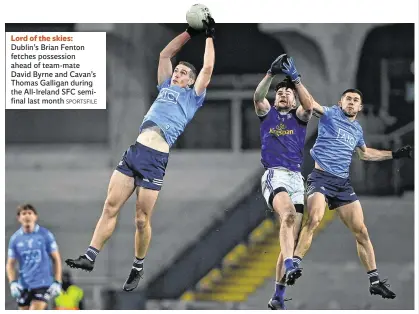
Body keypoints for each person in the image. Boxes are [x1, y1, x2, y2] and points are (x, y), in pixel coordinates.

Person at [65, 17, 216, 292]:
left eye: (183, 73)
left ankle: (137, 265)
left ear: (191, 81)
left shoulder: (192, 97)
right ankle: (90, 256)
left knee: (141, 219)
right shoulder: (165, 87)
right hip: (135, 151)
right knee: (110, 206)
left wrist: (207, 35)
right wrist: (188, 33)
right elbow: (165, 54)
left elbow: (207, 67)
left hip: (156, 160)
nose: (178, 74)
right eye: (177, 71)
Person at [281, 54, 413, 300]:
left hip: (342, 184)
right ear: (340, 103)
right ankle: (295, 264)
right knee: (315, 219)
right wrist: (297, 80)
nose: (351, 102)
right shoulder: (330, 114)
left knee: (361, 231)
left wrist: (394, 154)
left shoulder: (357, 129)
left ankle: (374, 280)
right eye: (348, 99)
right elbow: (311, 105)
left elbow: (365, 154)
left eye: (355, 100)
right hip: (320, 178)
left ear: (360, 108)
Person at [253, 54, 314, 310]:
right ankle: (290, 264)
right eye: (280, 92)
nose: (283, 95)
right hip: (274, 174)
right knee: (287, 217)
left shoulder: (299, 117)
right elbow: (258, 97)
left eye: (288, 92)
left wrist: (297, 81)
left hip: (296, 178)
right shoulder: (267, 114)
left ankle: (278, 295)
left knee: (291, 236)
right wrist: (270, 73)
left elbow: (309, 106)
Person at [6, 204, 63, 310]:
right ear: (19, 218)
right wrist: (13, 283)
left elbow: (56, 259)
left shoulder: (45, 235)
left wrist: (57, 281)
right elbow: (10, 264)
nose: (27, 216)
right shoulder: (15, 239)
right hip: (24, 284)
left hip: (42, 284)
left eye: (29, 213)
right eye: (23, 213)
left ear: (35, 216)